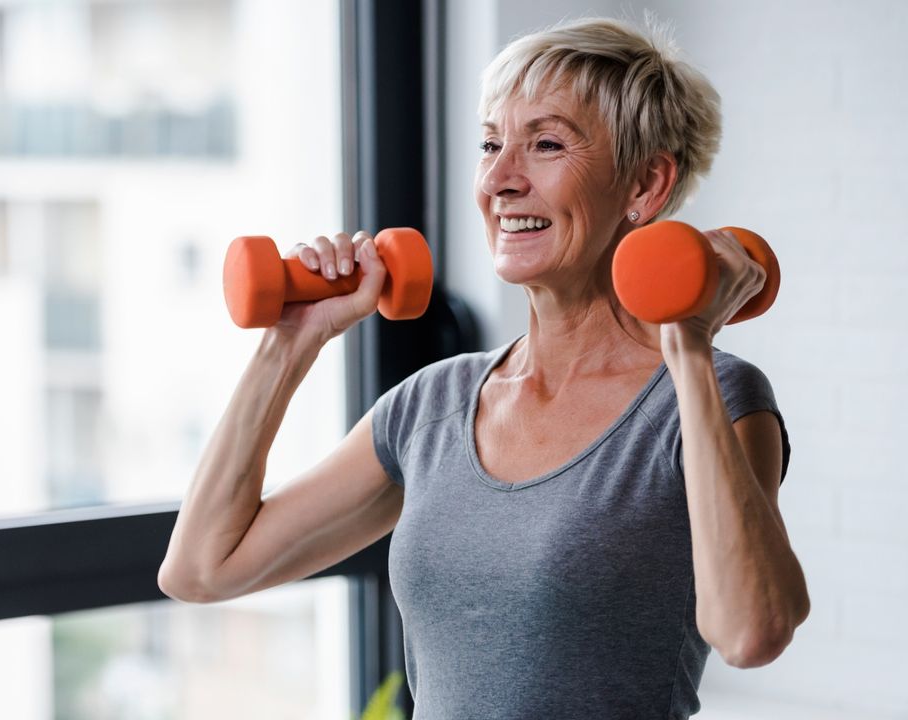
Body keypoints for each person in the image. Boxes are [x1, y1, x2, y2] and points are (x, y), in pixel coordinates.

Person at [158, 16, 809, 719]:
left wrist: (685, 341)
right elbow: (202, 569)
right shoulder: (431, 407)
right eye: (491, 144)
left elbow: (750, 633)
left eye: (546, 144)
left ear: (645, 186)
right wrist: (288, 346)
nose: (500, 179)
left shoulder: (708, 396)